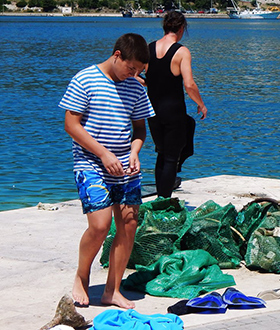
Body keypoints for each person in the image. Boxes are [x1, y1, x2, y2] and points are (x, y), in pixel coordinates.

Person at [60, 33, 155, 308]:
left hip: (125, 167)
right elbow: (71, 125)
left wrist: (135, 153)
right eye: (131, 68)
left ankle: (112, 290)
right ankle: (81, 276)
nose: (134, 74)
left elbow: (139, 129)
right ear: (117, 55)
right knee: (100, 226)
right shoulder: (85, 79)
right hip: (90, 163)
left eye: (139, 70)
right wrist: (103, 153)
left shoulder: (136, 87)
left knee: (128, 225)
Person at [145, 11, 207, 198]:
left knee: (161, 154)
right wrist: (201, 104)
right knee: (171, 158)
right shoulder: (181, 51)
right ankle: (164, 202)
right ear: (181, 29)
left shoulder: (148, 48)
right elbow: (189, 84)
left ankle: (160, 200)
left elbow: (133, 76)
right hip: (173, 111)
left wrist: (150, 84)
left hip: (152, 111)